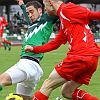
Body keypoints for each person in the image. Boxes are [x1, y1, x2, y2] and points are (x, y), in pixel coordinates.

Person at [24, 0, 100, 100]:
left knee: (48, 84)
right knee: (67, 92)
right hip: (92, 59)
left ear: (50, 3)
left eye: (45, 5)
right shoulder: (64, 20)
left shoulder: (67, 9)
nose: (45, 9)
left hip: (80, 56)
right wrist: (34, 49)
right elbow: (55, 44)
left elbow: (93, 15)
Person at [0, 0, 68, 100]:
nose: (30, 15)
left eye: (32, 12)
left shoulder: (47, 19)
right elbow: (28, 17)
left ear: (40, 10)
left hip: (28, 64)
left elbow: (59, 4)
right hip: (34, 67)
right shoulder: (32, 24)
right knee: (24, 97)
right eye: (28, 13)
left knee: (2, 80)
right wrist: (22, 5)